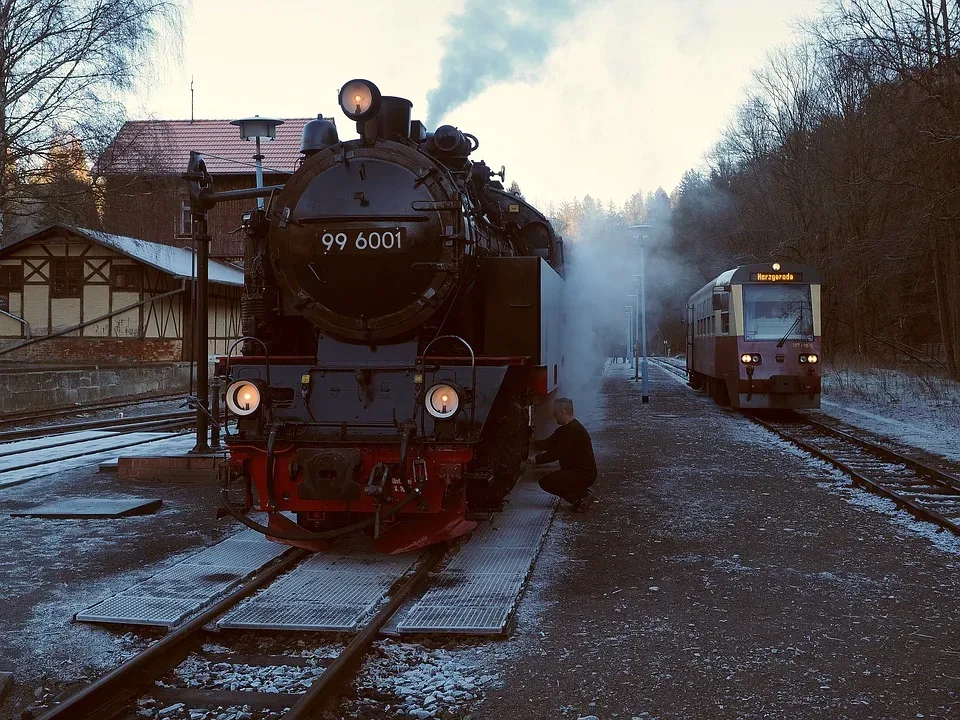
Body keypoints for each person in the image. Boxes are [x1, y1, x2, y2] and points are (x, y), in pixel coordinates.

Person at [528, 397, 597, 512]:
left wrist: (536, 459)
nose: (554, 415)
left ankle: (581, 497)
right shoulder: (564, 430)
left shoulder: (574, 430)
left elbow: (557, 453)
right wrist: (528, 445)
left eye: (555, 412)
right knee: (553, 480)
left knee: (547, 482)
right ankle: (582, 493)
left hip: (584, 474)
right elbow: (547, 443)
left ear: (562, 411)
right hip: (576, 472)